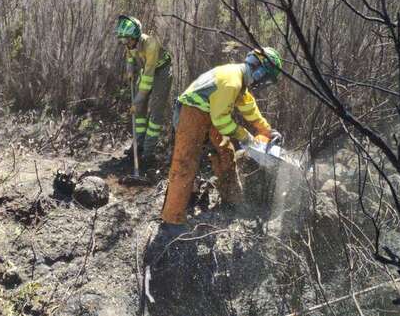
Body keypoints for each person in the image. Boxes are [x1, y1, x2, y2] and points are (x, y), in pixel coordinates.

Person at [158, 47, 283, 237]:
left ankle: (231, 199)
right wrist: (246, 138)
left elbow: (249, 108)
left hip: (210, 113)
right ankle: (171, 220)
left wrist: (266, 130)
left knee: (226, 151)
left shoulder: (240, 81)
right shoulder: (232, 80)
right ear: (259, 69)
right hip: (192, 112)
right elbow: (221, 120)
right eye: (265, 79)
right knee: (185, 162)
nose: (263, 84)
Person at [115, 15, 172, 165]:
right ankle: (138, 145)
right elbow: (130, 54)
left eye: (127, 40)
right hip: (146, 68)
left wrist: (138, 99)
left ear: (135, 36)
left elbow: (147, 78)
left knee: (155, 111)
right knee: (139, 111)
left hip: (161, 71)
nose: (124, 43)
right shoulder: (131, 44)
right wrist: (129, 68)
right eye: (122, 40)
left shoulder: (150, 44)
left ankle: (148, 152)